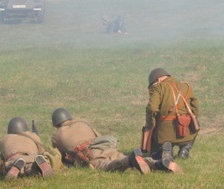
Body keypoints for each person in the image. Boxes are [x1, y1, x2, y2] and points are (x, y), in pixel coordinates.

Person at [51, 108, 181, 173]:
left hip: (89, 153)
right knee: (118, 156)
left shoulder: (57, 135)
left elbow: (61, 157)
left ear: (56, 123)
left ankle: (130, 161)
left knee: (109, 165)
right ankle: (159, 163)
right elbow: (98, 135)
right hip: (104, 145)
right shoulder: (82, 122)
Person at [143, 68, 200, 160]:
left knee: (157, 131)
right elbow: (195, 107)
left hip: (164, 134)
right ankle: (184, 150)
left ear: (158, 80)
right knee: (196, 124)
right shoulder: (186, 86)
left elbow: (152, 108)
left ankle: (166, 149)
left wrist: (150, 123)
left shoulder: (159, 87)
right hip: (187, 132)